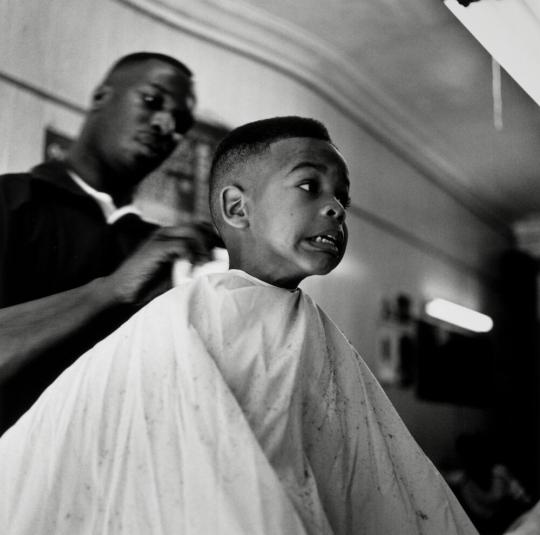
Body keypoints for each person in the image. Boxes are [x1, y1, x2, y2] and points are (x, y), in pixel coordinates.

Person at [0, 117, 478, 534]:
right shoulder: (184, 320)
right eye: (310, 186)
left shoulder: (319, 335)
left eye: (342, 198)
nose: (335, 207)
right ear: (236, 208)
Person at [0, 52, 215, 433]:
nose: (166, 124)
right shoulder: (10, 200)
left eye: (181, 123)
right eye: (152, 101)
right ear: (101, 97)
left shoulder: (165, 251)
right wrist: (109, 292)